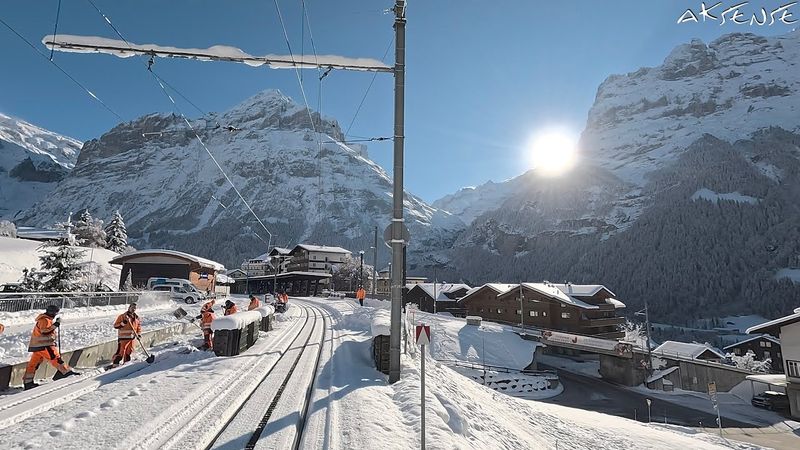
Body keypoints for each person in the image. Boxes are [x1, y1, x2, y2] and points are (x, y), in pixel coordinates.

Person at [24, 305, 79, 390]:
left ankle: (28, 382)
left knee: (33, 364)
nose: (54, 314)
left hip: (38, 346)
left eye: (56, 312)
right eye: (54, 312)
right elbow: (44, 331)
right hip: (45, 345)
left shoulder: (45, 319)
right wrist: (56, 324)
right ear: (49, 311)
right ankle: (66, 373)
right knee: (56, 359)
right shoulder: (45, 320)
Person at [110, 303, 142, 367]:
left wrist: (138, 334)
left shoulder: (137, 318)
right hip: (123, 338)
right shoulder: (122, 316)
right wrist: (123, 323)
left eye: (134, 308)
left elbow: (138, 327)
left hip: (132, 338)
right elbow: (116, 326)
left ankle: (126, 364)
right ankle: (115, 364)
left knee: (129, 352)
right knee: (121, 352)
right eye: (132, 307)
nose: (133, 309)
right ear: (129, 308)